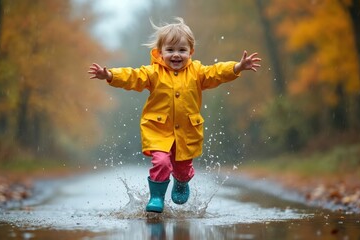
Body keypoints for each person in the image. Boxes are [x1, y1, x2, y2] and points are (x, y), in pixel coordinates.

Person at [88, 17, 261, 213]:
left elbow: (216, 73)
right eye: (170, 50)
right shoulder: (153, 73)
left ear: (191, 52)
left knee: (183, 169)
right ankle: (156, 197)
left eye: (182, 50)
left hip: (186, 133)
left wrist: (237, 67)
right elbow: (132, 76)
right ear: (160, 53)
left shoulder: (197, 72)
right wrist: (110, 75)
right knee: (161, 162)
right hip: (158, 130)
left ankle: (181, 182)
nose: (176, 55)